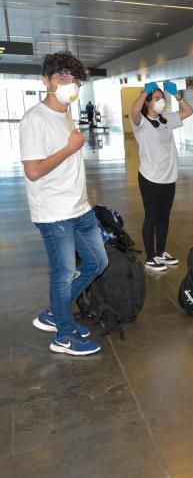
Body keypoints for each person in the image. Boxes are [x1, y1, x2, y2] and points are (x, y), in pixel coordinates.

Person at [19, 51, 107, 356]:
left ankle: (56, 314)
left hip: (79, 207)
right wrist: (71, 148)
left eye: (74, 78)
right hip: (54, 213)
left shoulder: (66, 112)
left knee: (97, 262)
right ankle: (64, 337)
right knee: (63, 272)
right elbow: (33, 171)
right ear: (46, 81)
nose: (69, 83)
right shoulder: (35, 119)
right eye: (61, 77)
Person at [130, 81, 193, 272]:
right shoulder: (140, 122)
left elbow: (189, 111)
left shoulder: (167, 119)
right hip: (150, 178)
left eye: (162, 98)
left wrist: (178, 96)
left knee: (164, 217)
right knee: (151, 216)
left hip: (169, 177)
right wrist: (144, 92)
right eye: (157, 99)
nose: (161, 102)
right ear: (148, 102)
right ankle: (150, 257)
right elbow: (134, 111)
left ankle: (161, 252)